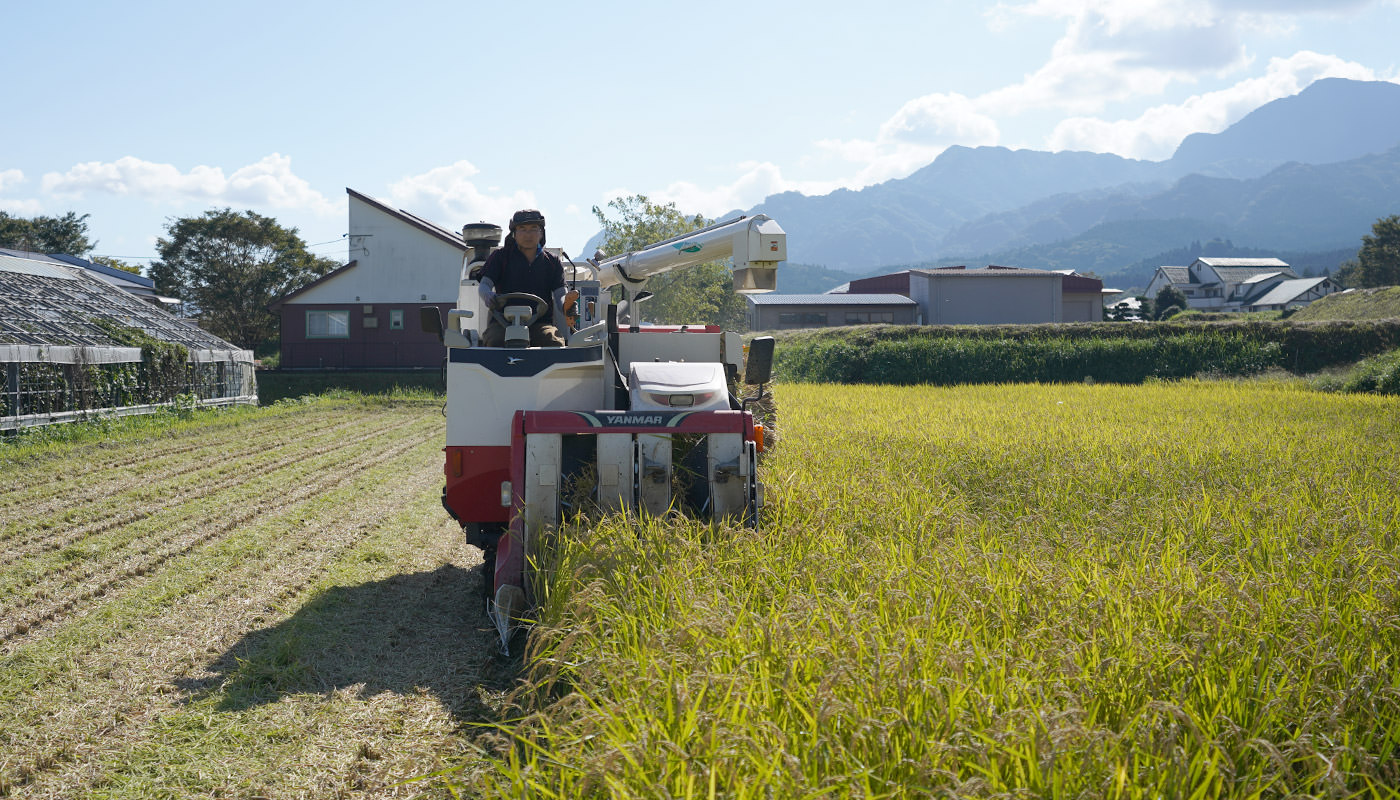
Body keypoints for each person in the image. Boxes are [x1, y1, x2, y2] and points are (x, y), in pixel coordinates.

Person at [478, 209, 567, 347]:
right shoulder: (500, 257)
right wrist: (488, 295)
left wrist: (567, 305)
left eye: (533, 229)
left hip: (541, 324)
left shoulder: (553, 262)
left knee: (553, 342)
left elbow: (560, 294)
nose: (528, 234)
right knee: (494, 341)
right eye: (522, 229)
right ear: (514, 233)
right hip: (502, 323)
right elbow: (484, 285)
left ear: (541, 232)